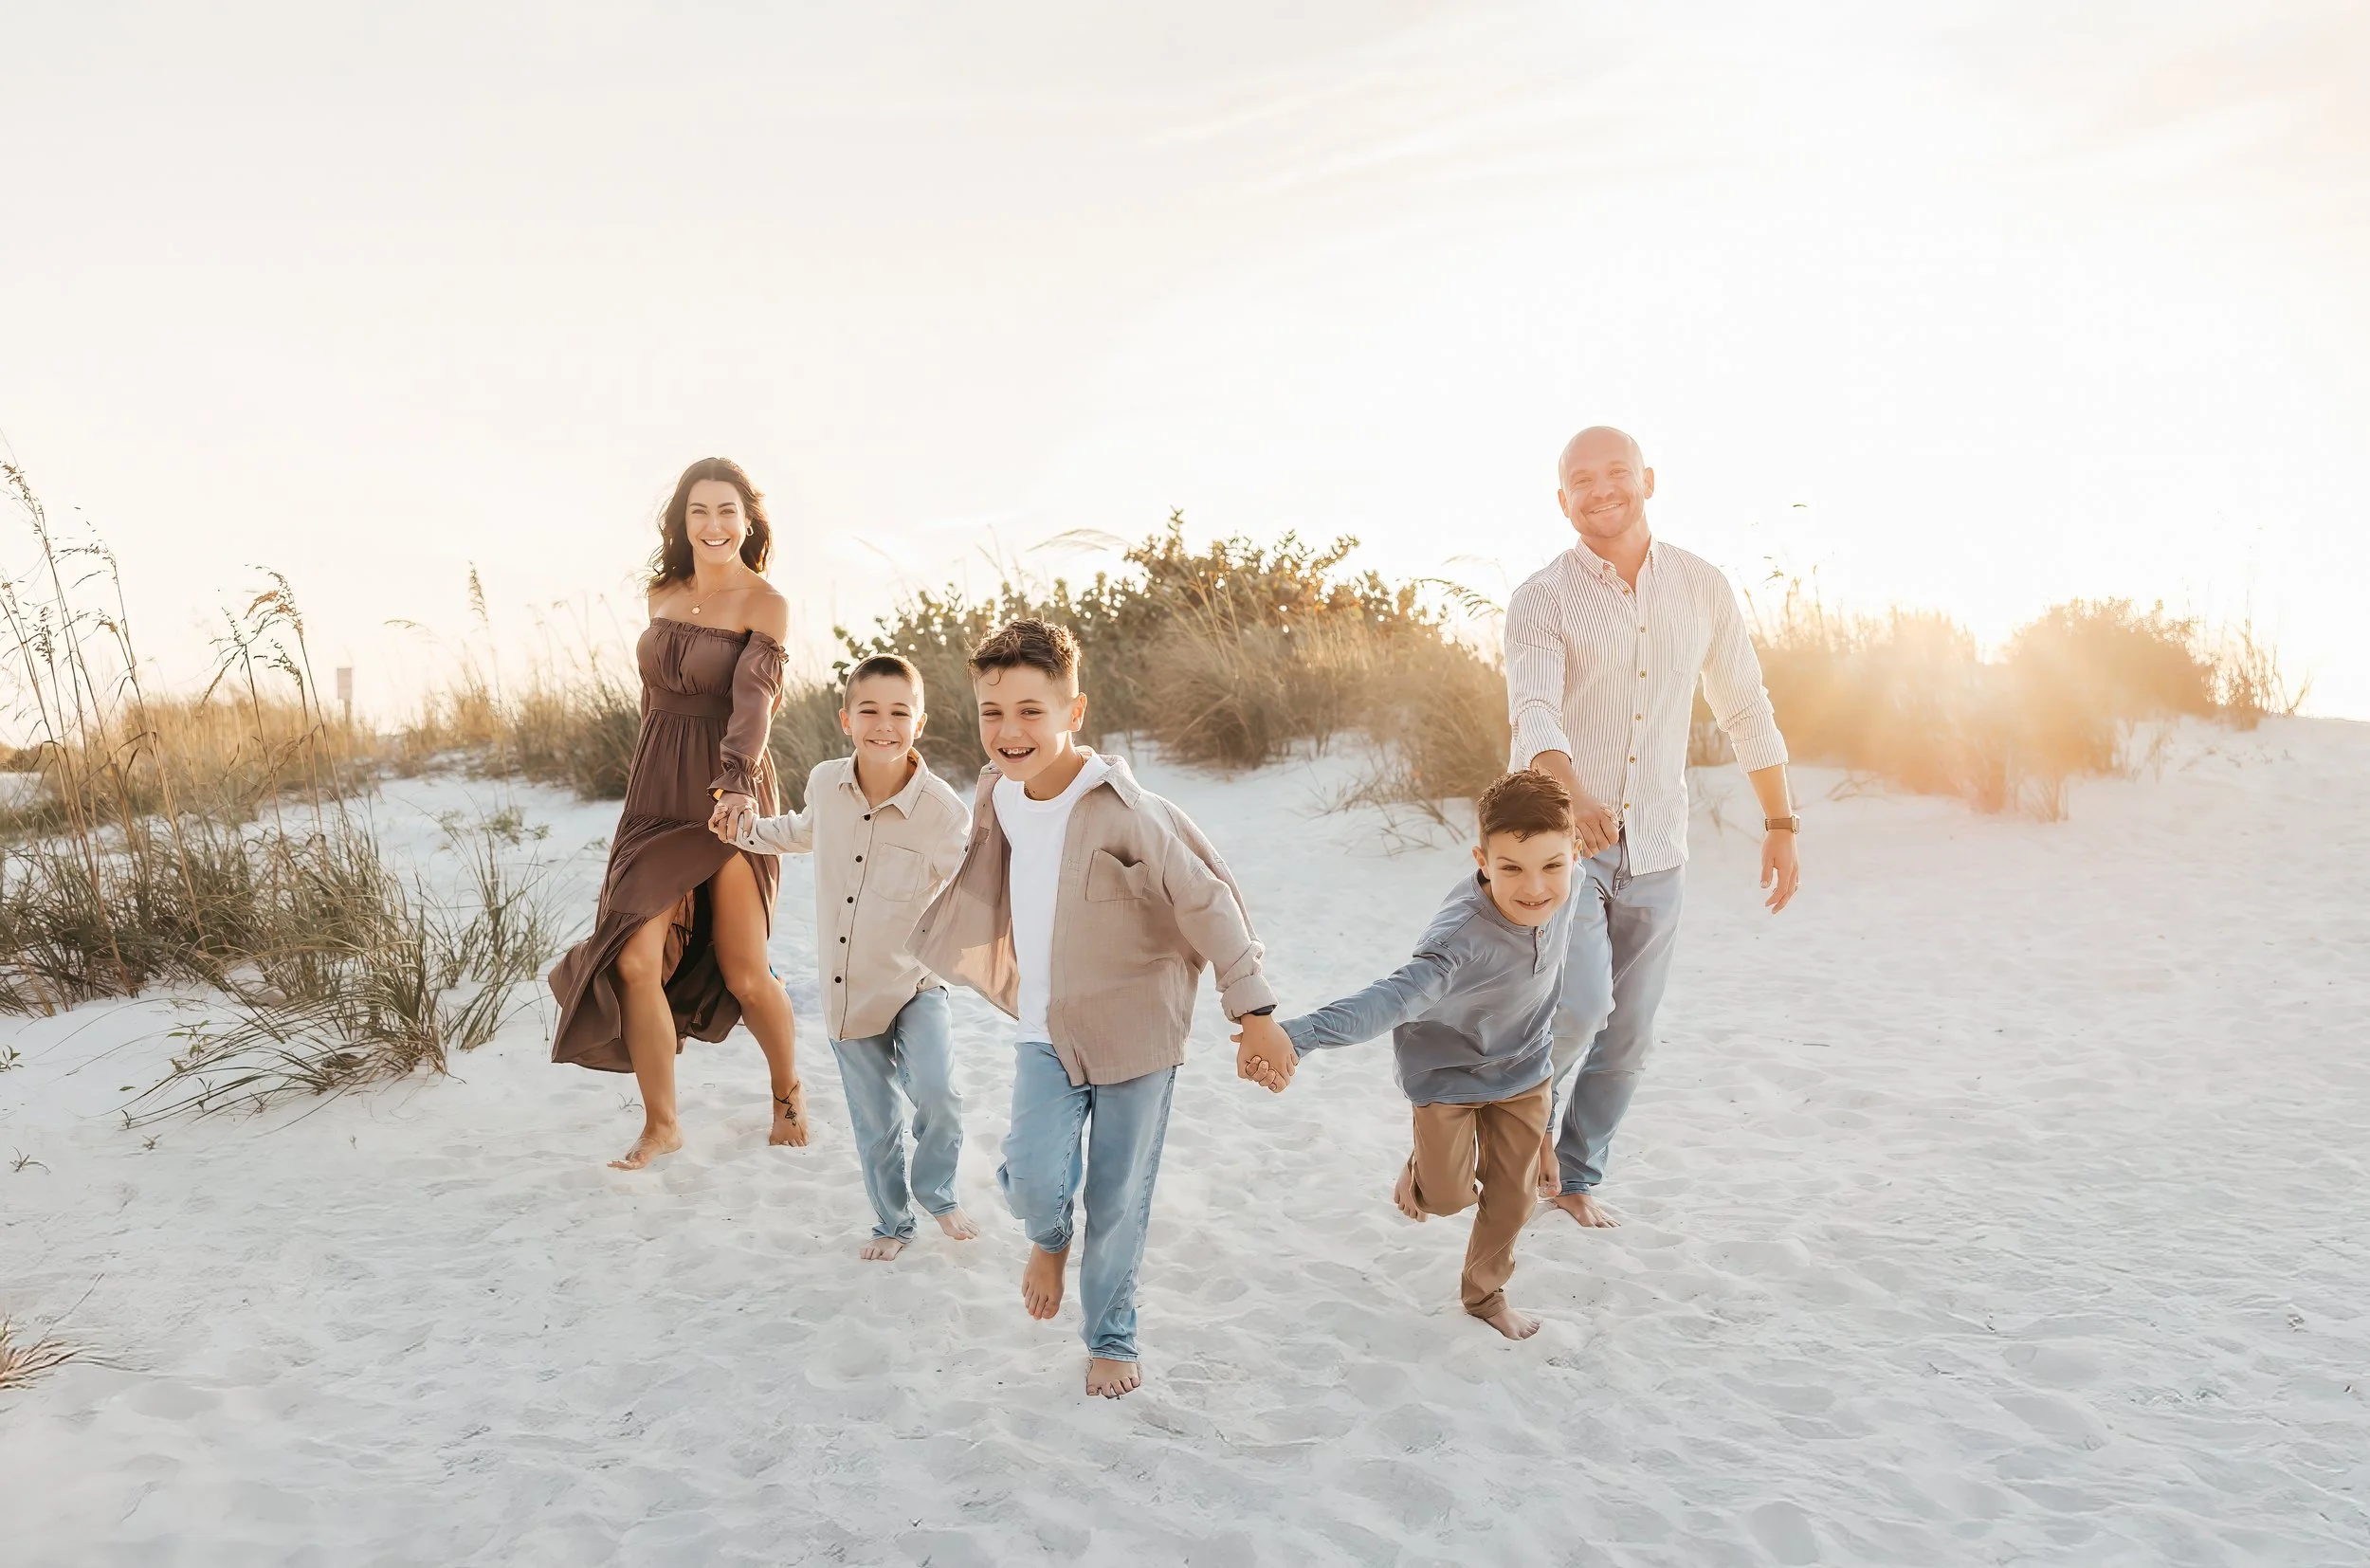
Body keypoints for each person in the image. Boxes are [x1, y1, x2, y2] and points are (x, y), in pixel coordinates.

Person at [912, 618, 1299, 1399]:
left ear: (1074, 712)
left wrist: (1252, 1009)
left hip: (1136, 1037)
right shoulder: (999, 794)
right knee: (1029, 1181)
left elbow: (1209, 903)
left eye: (1031, 711)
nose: (1010, 730)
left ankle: (1112, 1336)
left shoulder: (1130, 811)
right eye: (993, 711)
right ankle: (1049, 1240)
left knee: (1119, 1196)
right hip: (1046, 1032)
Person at [1504, 426, 1800, 1228]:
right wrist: (1573, 799)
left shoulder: (1703, 586)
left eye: (1615, 473)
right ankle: (1507, 1130)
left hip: (1659, 846)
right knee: (1577, 1008)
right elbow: (1532, 711)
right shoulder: (1541, 597)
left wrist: (1780, 819)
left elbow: (1744, 704)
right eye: (1581, 479)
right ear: (1561, 498)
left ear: (1648, 479)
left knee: (1629, 1033)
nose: (1601, 490)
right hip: (1561, 850)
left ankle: (1573, 1176)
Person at [1258, 769, 1578, 1340]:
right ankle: (1422, 1173)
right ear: (1482, 860)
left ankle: (1485, 1297)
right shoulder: (1456, 943)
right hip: (1447, 1075)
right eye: (1511, 869)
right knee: (1447, 1198)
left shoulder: (1564, 890)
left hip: (1525, 1070)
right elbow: (1388, 1001)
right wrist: (1296, 1036)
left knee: (1514, 1200)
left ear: (1574, 852)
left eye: (1552, 866)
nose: (1535, 888)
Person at [548, 456, 803, 1171]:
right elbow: (653, 700)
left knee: (747, 972)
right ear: (682, 522)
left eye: (727, 511)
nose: (714, 525)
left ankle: (787, 1090)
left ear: (748, 521)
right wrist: (640, 795)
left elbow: (754, 703)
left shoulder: (765, 603)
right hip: (656, 792)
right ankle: (662, 1125)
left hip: (726, 791)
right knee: (633, 958)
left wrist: (737, 784)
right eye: (700, 512)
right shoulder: (662, 592)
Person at [718, 655, 978, 1261]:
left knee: (939, 1095)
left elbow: (974, 888)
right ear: (845, 718)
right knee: (877, 1123)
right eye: (869, 711)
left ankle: (937, 1193)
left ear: (920, 723)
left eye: (898, 713)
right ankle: (892, 1224)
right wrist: (745, 832)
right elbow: (805, 830)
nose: (883, 725)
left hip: (916, 982)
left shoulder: (941, 811)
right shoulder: (825, 784)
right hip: (848, 990)